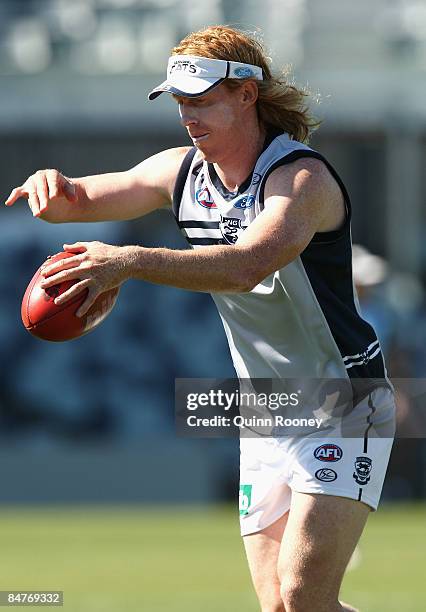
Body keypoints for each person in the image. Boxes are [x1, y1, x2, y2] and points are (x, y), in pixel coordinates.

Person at [5, 25, 395, 612]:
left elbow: (247, 265)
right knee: (280, 607)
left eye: (202, 100)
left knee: (304, 596)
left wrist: (130, 261)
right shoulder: (181, 172)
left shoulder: (299, 180)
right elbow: (83, 198)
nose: (189, 116)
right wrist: (53, 191)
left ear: (246, 95)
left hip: (343, 401)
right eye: (181, 102)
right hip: (266, 408)